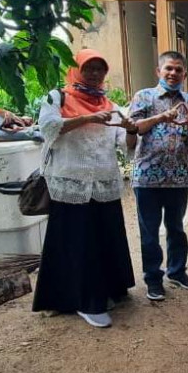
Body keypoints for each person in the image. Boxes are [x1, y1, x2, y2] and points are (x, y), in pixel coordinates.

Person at [33, 50, 137, 328]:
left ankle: (111, 289)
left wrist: (131, 129)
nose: (94, 74)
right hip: (70, 184)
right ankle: (82, 300)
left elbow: (124, 144)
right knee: (76, 242)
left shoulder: (109, 103)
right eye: (88, 68)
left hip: (103, 183)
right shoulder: (58, 97)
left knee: (105, 238)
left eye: (99, 69)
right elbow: (49, 128)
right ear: (76, 69)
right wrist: (88, 118)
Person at [128, 50, 188, 301]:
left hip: (178, 177)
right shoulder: (144, 97)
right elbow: (134, 128)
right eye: (168, 69)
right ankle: (153, 279)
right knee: (149, 231)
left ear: (185, 74)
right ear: (158, 71)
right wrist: (162, 116)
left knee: (176, 228)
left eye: (178, 70)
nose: (173, 74)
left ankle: (177, 271)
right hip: (147, 178)